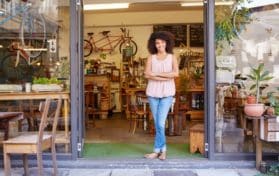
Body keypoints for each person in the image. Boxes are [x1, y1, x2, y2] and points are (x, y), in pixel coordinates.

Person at [144, 31, 179, 160]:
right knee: (157, 122)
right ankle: (160, 151)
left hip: (167, 93)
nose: (160, 45)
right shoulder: (151, 57)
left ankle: (159, 150)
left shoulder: (172, 57)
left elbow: (175, 74)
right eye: (157, 43)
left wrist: (156, 75)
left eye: (162, 42)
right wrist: (165, 75)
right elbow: (147, 74)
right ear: (154, 44)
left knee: (160, 122)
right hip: (152, 92)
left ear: (167, 43)